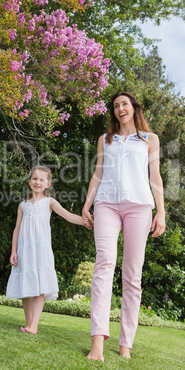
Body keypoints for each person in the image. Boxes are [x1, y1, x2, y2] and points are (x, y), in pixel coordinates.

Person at [82, 91, 165, 361]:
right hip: (106, 203)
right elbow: (98, 174)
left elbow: (155, 178)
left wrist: (161, 211)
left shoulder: (149, 139)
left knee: (132, 276)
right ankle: (97, 343)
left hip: (139, 206)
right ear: (113, 112)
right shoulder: (105, 140)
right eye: (116, 106)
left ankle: (125, 344)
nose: (120, 109)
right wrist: (87, 203)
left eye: (124, 104)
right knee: (104, 264)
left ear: (134, 108)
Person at [6, 165, 90, 334]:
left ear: (48, 184)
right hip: (24, 251)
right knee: (26, 287)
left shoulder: (49, 202)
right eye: (34, 179)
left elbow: (68, 216)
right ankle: (29, 324)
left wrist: (86, 221)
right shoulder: (23, 205)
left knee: (39, 286)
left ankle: (34, 325)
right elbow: (17, 228)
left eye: (41, 179)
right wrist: (14, 251)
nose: (37, 182)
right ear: (29, 182)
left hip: (41, 250)